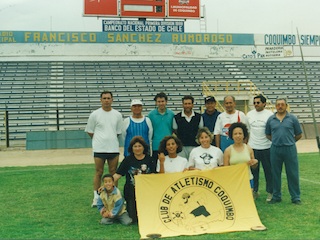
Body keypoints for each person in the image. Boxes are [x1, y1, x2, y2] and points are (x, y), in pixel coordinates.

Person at [85, 90, 123, 208]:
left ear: (112, 100)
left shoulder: (117, 115)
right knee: (99, 172)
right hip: (99, 149)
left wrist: (109, 140)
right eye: (104, 98)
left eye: (108, 98)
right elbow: (90, 132)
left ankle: (114, 196)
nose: (106, 100)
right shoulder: (95, 114)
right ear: (101, 100)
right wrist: (100, 141)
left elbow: (117, 132)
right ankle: (97, 197)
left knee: (113, 173)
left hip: (113, 149)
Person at [265, 98, 303, 205]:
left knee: (292, 173)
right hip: (275, 149)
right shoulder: (271, 119)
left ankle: (295, 197)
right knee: (275, 173)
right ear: (276, 106)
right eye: (278, 105)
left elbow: (299, 134)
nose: (280, 106)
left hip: (290, 149)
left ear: (286, 106)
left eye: (282, 104)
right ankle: (276, 196)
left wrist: (290, 141)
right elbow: (268, 134)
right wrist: (277, 141)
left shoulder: (292, 118)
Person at [113, 136, 155, 223]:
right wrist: (107, 184)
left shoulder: (150, 160)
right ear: (131, 148)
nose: (137, 148)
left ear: (144, 147)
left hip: (146, 191)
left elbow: (155, 176)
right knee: (134, 218)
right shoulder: (127, 160)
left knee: (146, 216)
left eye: (139, 146)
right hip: (131, 191)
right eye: (135, 146)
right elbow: (118, 174)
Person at [247, 94, 274, 201]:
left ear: (264, 103)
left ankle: (270, 192)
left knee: (268, 171)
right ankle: (255, 191)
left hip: (267, 147)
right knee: (254, 172)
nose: (256, 105)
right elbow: (247, 130)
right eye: (254, 103)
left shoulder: (270, 115)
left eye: (258, 102)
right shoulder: (249, 114)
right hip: (253, 147)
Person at [223, 122, 258, 191]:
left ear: (243, 135)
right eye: (235, 134)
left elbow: (253, 166)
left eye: (240, 133)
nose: (238, 136)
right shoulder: (228, 151)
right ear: (232, 136)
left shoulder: (249, 149)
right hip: (234, 180)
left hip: (248, 179)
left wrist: (255, 163)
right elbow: (225, 170)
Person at [148, 92, 175, 163]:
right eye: (159, 102)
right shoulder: (151, 115)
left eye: (162, 101)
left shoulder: (171, 114)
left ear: (166, 102)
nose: (161, 103)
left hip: (169, 145)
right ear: (156, 103)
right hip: (156, 146)